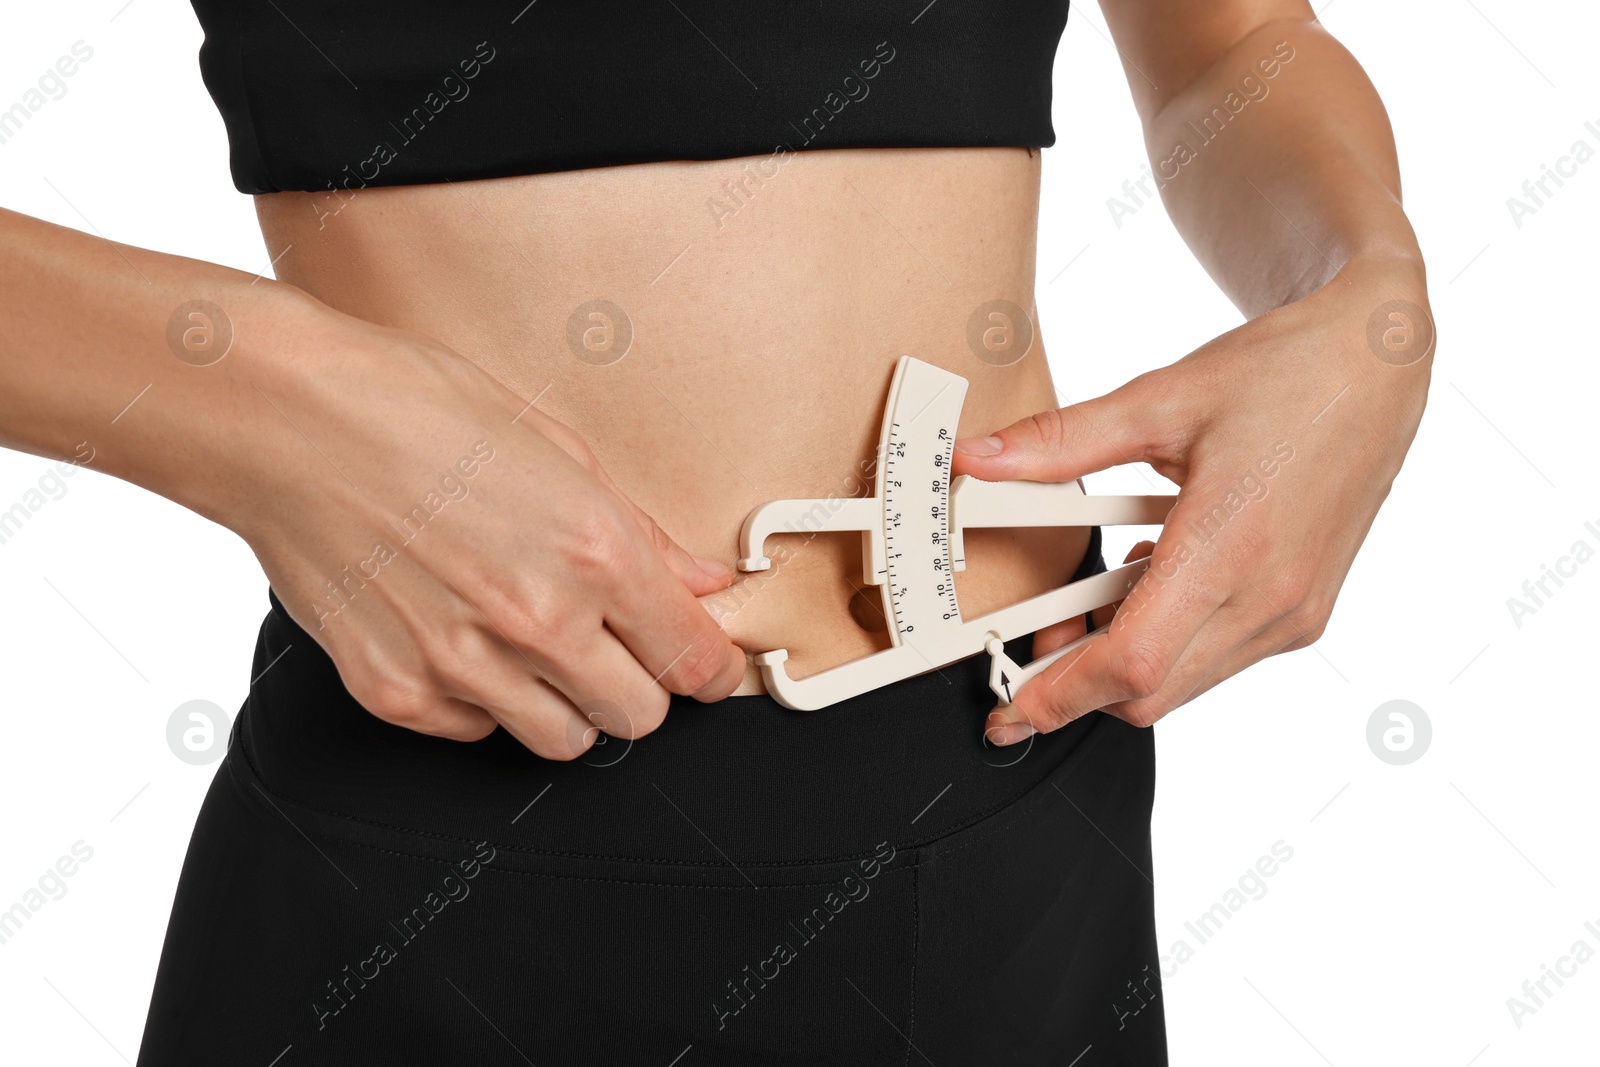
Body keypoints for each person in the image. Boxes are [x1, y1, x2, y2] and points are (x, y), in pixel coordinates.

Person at [0, 1, 1431, 1063]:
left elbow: (1232, 46)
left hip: (1019, 803)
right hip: (449, 835)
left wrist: (1366, 295)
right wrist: (235, 386)